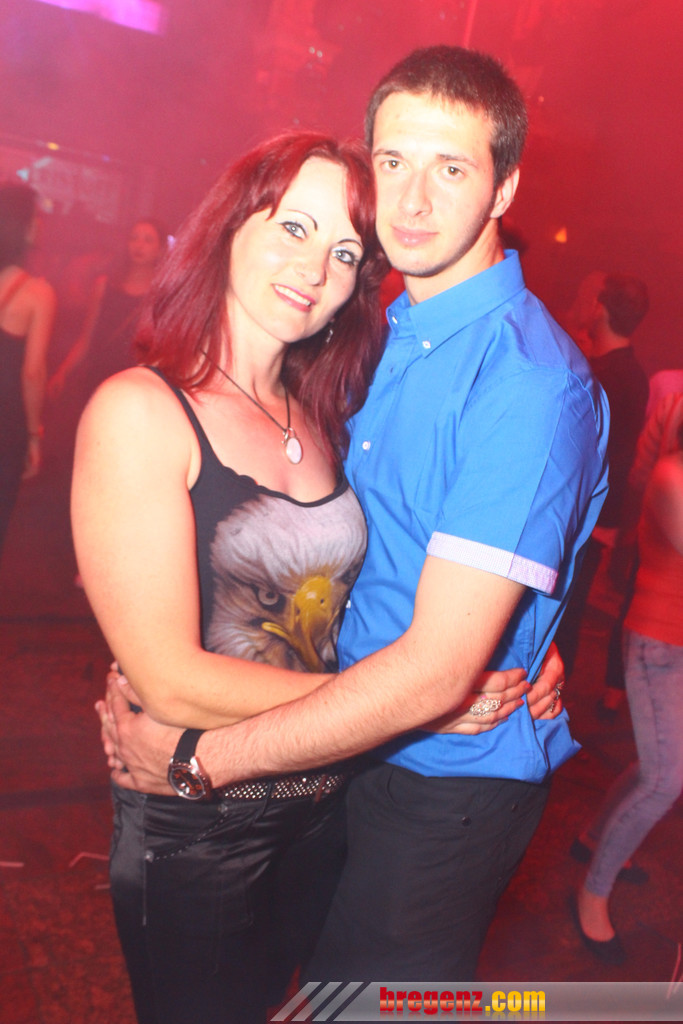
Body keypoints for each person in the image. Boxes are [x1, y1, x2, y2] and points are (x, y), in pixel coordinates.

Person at [102, 45, 608, 983]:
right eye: (392, 161)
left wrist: (201, 758)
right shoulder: (367, 331)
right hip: (339, 751)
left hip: (438, 787)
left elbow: (435, 672)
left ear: (503, 189)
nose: (410, 200)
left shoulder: (527, 383)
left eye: (450, 168)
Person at [572, 417, 683, 964]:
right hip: (655, 645)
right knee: (664, 779)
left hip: (675, 646)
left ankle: (594, 836)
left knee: (656, 764)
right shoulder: (672, 475)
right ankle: (592, 894)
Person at [555, 272, 650, 715]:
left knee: (560, 616)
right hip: (596, 515)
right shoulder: (630, 372)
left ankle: (543, 711)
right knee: (567, 615)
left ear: (601, 309)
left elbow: (585, 453)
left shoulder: (606, 377)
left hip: (581, 516)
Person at [49, 217, 167, 400]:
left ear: (160, 250)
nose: (139, 245)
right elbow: (86, 340)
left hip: (133, 387)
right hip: (97, 379)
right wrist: (63, 371)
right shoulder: (104, 286)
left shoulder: (160, 296)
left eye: (148, 240)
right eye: (134, 238)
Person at [0, 182, 56, 557]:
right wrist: (34, 435)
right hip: (6, 425)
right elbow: (32, 373)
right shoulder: (36, 293)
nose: (39, 224)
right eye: (34, 218)